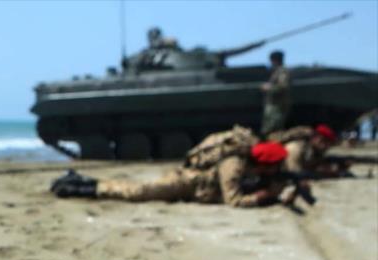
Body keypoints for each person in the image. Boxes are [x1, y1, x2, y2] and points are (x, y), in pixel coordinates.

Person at [51, 141, 304, 208]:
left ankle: (83, 182)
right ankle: (81, 186)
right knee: (138, 192)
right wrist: (263, 196)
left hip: (192, 186)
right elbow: (233, 199)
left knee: (139, 191)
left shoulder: (251, 165)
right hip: (185, 183)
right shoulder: (234, 165)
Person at [282, 124, 349, 177]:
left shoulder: (313, 150)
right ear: (317, 138)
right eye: (325, 142)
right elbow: (295, 173)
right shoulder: (294, 148)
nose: (326, 147)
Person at [261, 50, 291, 136]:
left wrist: (268, 88)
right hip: (274, 105)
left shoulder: (282, 71)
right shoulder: (278, 71)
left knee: (274, 130)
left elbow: (283, 86)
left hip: (277, 106)